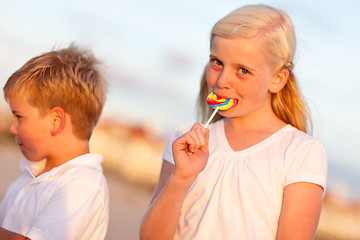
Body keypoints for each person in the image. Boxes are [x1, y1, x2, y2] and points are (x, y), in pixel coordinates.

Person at [140, 4, 327, 240]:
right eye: (217, 62)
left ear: (278, 79)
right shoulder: (183, 141)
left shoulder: (300, 152)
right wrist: (181, 179)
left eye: (243, 70)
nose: (222, 81)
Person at [0, 44, 109, 240]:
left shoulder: (84, 185)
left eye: (19, 117)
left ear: (56, 121)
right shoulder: (31, 175)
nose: (13, 128)